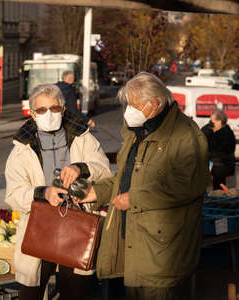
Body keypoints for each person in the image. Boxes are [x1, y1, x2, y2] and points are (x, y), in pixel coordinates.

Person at [79, 72, 210, 300]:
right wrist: (97, 192)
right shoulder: (137, 133)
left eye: (134, 104)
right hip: (133, 241)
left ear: (155, 103)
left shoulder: (186, 135)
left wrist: (135, 198)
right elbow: (124, 178)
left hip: (162, 251)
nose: (130, 110)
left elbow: (187, 186)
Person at [5, 84, 111, 300]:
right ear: (33, 114)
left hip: (77, 222)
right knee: (32, 291)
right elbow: (14, 194)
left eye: (54, 108)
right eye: (42, 110)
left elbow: (104, 170)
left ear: (63, 109)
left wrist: (80, 168)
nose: (49, 114)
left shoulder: (82, 137)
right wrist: (43, 193)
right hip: (39, 223)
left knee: (75, 290)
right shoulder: (22, 149)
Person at [201, 110, 236, 190]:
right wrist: (209, 127)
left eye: (212, 121)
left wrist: (208, 156)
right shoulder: (211, 129)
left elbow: (222, 154)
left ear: (219, 122)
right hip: (214, 162)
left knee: (216, 171)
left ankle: (219, 192)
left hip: (224, 164)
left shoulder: (227, 134)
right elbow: (201, 134)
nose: (211, 123)